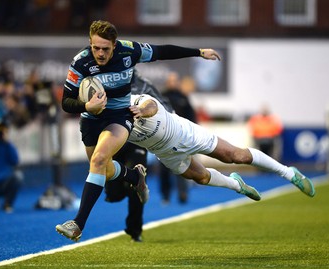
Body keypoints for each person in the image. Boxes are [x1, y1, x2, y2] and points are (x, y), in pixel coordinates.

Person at [56, 20, 221, 242]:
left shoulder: (130, 50)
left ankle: (78, 224)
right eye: (96, 48)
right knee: (102, 169)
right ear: (90, 44)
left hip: (119, 116)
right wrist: (86, 106)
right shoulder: (80, 63)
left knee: (99, 160)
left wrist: (199, 52)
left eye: (105, 48)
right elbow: (66, 102)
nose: (101, 53)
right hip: (91, 119)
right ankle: (134, 175)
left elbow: (162, 51)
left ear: (115, 45)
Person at [128, 93, 316, 202]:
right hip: (165, 152)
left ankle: (289, 173)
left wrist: (141, 112)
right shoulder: (109, 125)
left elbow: (150, 105)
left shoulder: (132, 100)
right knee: (200, 178)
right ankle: (237, 185)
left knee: (234, 155)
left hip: (184, 133)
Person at [104, 70, 173, 242]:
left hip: (137, 141)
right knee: (114, 193)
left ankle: (135, 230)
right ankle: (119, 191)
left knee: (137, 181)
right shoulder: (104, 80)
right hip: (113, 138)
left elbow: (166, 108)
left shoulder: (144, 85)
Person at [160, 72, 196, 204]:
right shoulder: (160, 96)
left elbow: (192, 117)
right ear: (167, 82)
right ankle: (165, 195)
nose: (172, 83)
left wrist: (192, 134)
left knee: (182, 165)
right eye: (170, 80)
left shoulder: (184, 97)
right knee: (164, 169)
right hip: (163, 138)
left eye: (175, 80)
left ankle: (183, 193)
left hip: (181, 137)